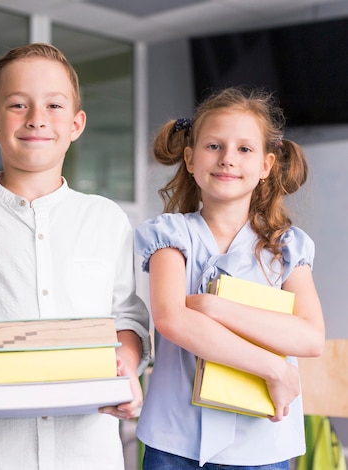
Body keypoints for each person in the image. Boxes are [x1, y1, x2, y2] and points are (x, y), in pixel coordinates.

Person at [0, 43, 151, 470]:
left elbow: (125, 316)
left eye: (54, 105)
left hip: (87, 452)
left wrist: (127, 366)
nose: (37, 118)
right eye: (18, 104)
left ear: (76, 124)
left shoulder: (106, 219)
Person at [134, 87, 325, 469]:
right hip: (175, 443)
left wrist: (215, 307)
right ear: (189, 159)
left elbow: (310, 336)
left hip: (261, 446)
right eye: (214, 146)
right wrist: (273, 368)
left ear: (267, 166)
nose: (227, 159)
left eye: (244, 149)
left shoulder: (286, 248)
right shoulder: (170, 235)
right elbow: (172, 319)